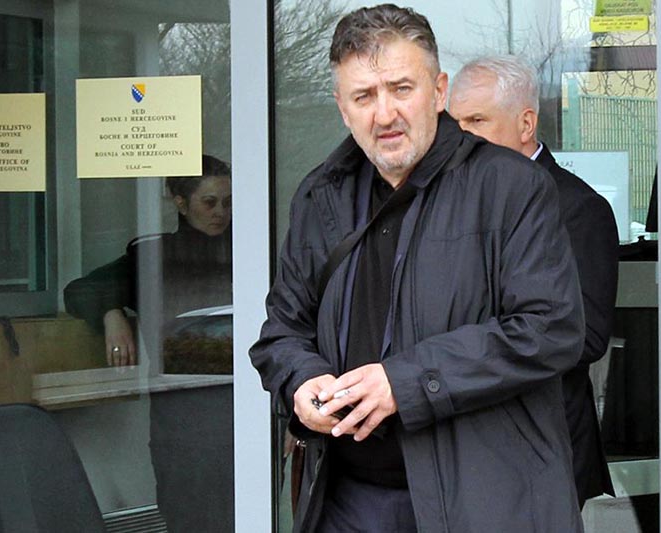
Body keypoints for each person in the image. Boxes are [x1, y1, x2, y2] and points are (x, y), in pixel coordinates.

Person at [250, 5, 586, 532]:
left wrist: (402, 382)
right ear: (342, 108)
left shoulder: (510, 186)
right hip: (349, 501)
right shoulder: (321, 196)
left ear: (438, 91)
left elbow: (551, 328)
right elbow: (281, 333)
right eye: (364, 96)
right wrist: (304, 382)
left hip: (485, 503)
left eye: (401, 89)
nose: (385, 114)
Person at [448, 55, 619, 508]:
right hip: (457, 442)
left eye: (477, 121)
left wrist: (458, 348)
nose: (460, 136)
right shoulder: (445, 203)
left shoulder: (578, 209)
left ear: (526, 124)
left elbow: (585, 335)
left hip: (541, 447)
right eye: (454, 122)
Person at [63, 154, 234, 532]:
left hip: (240, 407)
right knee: (188, 515)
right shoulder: (154, 255)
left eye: (227, 202)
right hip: (183, 417)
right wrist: (110, 312)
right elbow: (80, 290)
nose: (220, 213)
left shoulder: (250, 249)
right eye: (209, 202)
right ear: (181, 203)